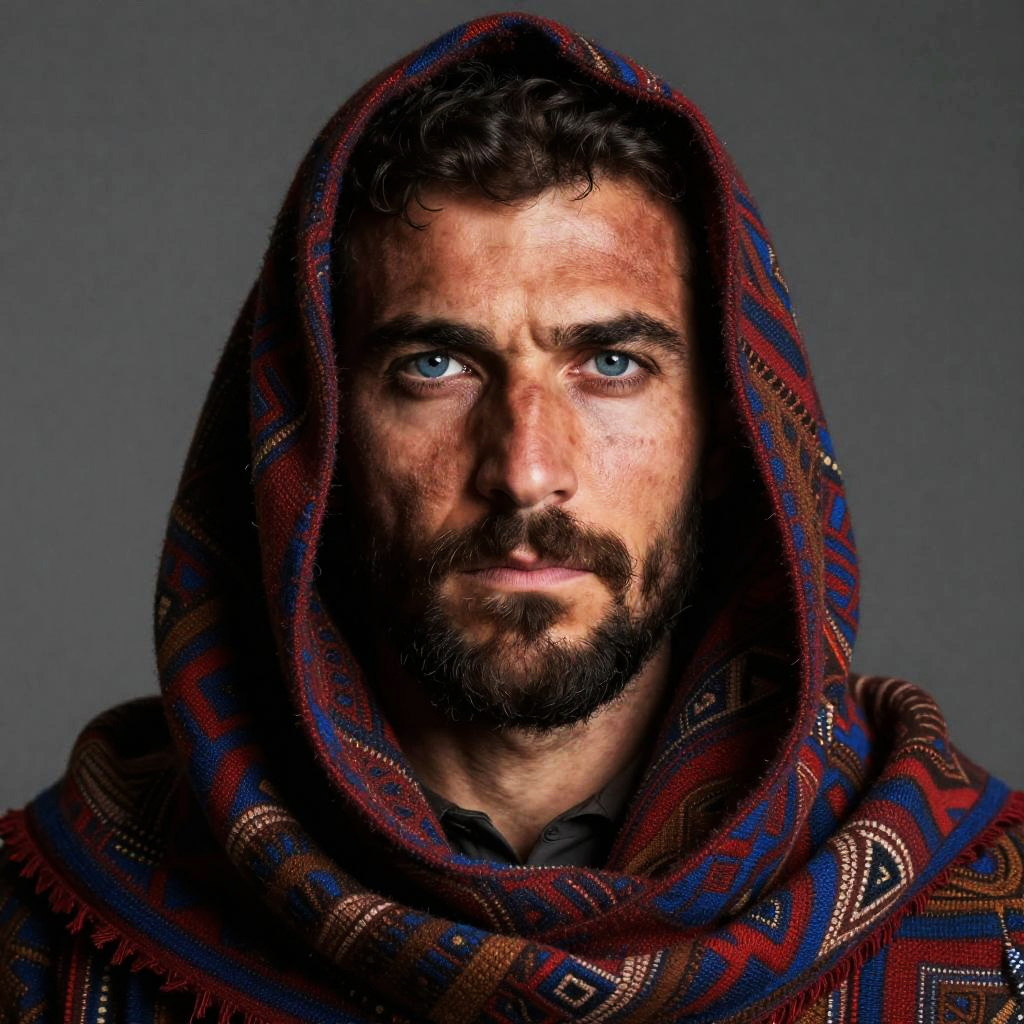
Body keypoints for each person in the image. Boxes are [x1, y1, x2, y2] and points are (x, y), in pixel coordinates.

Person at [1, 13, 1021, 1024]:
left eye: (611, 364)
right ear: (317, 441)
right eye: (435, 366)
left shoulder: (992, 932)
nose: (527, 473)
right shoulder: (48, 936)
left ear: (726, 435)